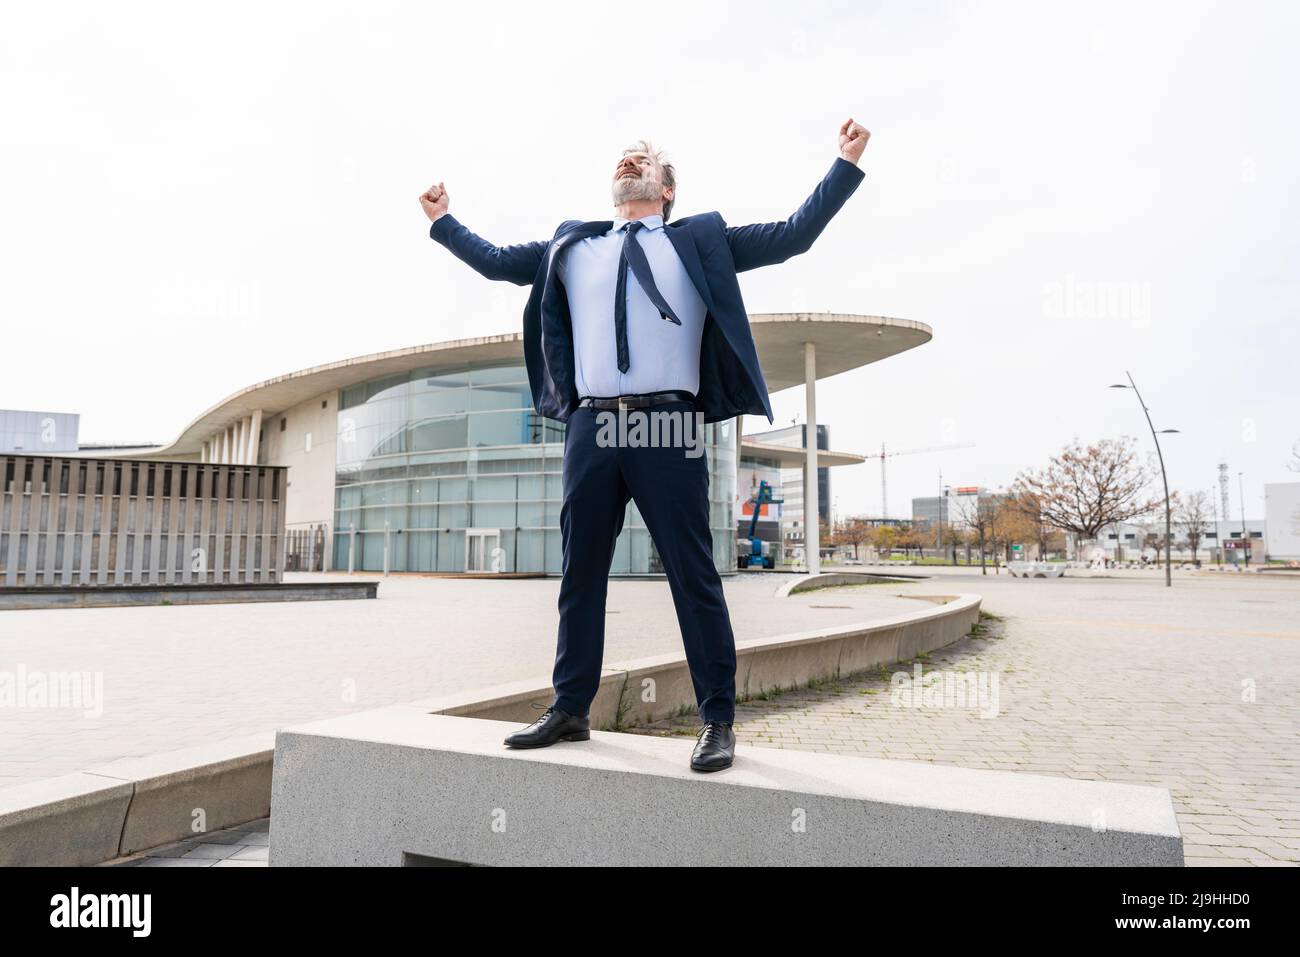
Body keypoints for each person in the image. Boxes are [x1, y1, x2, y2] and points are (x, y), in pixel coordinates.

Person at [420, 119, 870, 771]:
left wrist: (844, 163)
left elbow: (793, 235)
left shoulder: (699, 237)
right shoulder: (570, 244)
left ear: (667, 188)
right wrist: (444, 220)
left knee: (692, 574)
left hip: (668, 424)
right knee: (580, 572)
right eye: (626, 157)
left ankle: (717, 718)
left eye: (647, 158)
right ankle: (570, 706)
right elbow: (495, 262)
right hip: (593, 426)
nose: (632, 158)